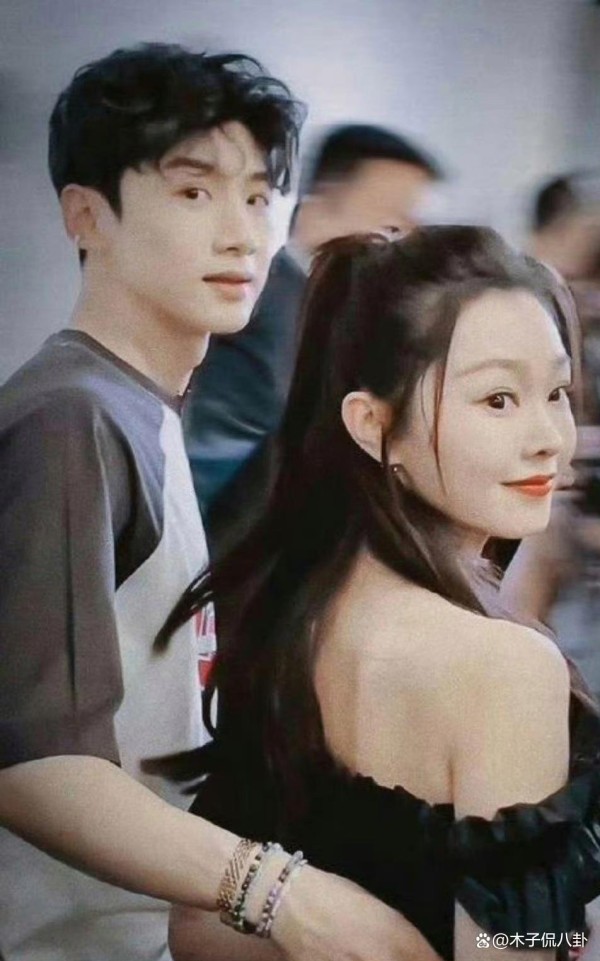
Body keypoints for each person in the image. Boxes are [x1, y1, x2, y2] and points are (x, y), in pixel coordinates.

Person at [0, 44, 438, 961]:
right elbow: (32, 765)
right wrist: (281, 894)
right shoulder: (73, 418)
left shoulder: (142, 406)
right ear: (87, 215)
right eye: (195, 192)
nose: (243, 235)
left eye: (258, 196)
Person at [157, 226, 600, 961]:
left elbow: (200, 928)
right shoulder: (504, 667)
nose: (550, 435)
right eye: (498, 399)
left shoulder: (292, 614)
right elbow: (520, 948)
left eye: (555, 392)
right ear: (372, 425)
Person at [184, 123, 442, 552]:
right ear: (318, 211)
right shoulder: (258, 302)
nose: (404, 247)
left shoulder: (340, 314)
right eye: (392, 225)